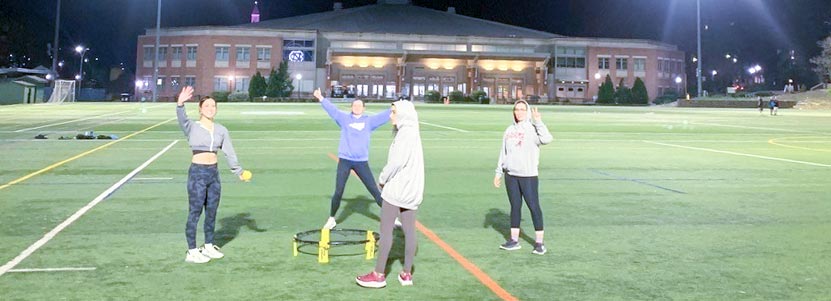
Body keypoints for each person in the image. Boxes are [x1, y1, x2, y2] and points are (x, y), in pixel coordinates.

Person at [176, 86, 249, 264]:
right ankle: (192, 250)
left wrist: (238, 171)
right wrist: (180, 103)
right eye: (207, 106)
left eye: (213, 106)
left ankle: (208, 245)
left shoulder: (221, 130)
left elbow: (229, 152)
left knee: (211, 212)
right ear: (200, 109)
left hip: (213, 174)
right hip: (197, 173)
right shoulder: (192, 127)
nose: (210, 109)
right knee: (195, 212)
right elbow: (182, 118)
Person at [356, 100, 424, 288]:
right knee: (409, 231)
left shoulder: (405, 134)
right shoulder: (413, 131)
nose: (391, 115)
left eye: (393, 112)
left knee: (386, 231)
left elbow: (396, 163)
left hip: (397, 189)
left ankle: (378, 275)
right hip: (412, 190)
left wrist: (382, 179)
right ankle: (406, 274)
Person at [313, 88, 391, 229]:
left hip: (361, 162)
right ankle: (332, 219)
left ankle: (391, 217)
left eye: (360, 106)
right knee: (339, 190)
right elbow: (333, 110)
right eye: (355, 105)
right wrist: (321, 98)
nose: (357, 108)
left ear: (364, 108)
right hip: (345, 161)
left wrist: (397, 106)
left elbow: (385, 115)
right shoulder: (344, 119)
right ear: (351, 107)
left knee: (374, 190)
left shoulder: (369, 121)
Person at [493, 100, 553, 255]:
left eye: (522, 109)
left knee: (534, 207)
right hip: (511, 175)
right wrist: (499, 172)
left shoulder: (533, 129)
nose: (518, 112)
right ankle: (514, 240)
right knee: (515, 207)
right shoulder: (509, 130)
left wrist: (538, 121)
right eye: (516, 109)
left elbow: (547, 139)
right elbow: (503, 152)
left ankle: (539, 243)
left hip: (528, 176)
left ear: (526, 112)